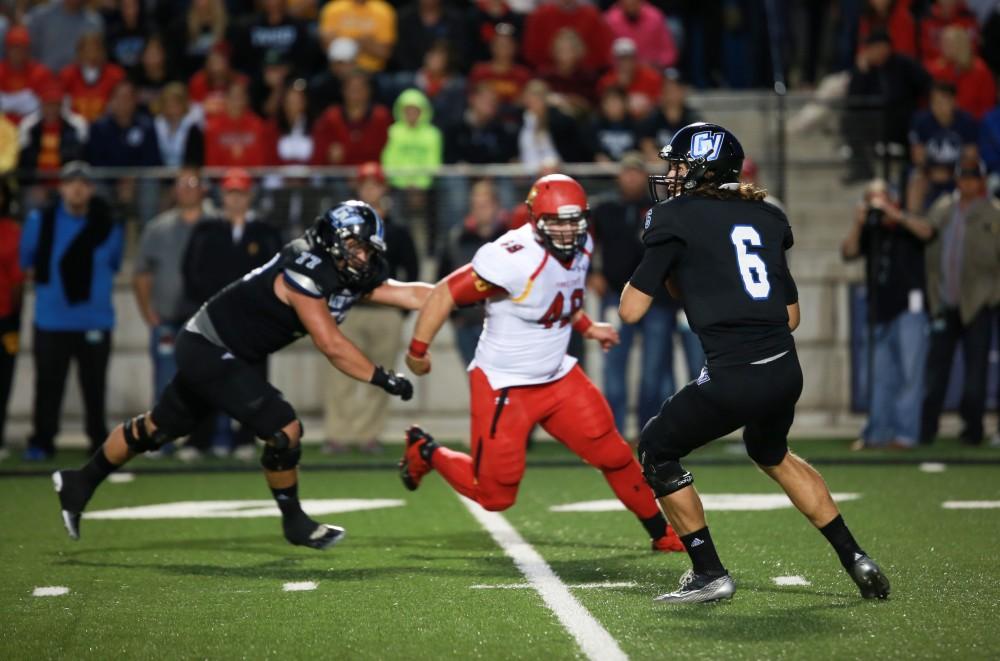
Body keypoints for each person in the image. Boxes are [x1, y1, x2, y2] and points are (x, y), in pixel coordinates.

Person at [53, 200, 431, 549]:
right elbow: (330, 344)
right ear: (334, 239)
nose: (363, 257)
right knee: (283, 429)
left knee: (158, 427)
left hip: (224, 350)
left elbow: (410, 294)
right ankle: (294, 522)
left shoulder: (343, 271)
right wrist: (384, 378)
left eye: (367, 249)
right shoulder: (306, 269)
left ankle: (78, 482)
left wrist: (471, 290)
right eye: (356, 246)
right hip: (209, 347)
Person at [619, 122, 889, 602]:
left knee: (657, 449)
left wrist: (673, 269)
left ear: (702, 169)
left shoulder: (673, 218)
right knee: (772, 453)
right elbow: (791, 316)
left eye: (679, 164)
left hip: (733, 375)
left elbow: (631, 309)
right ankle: (856, 557)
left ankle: (708, 572)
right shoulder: (765, 215)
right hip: (785, 371)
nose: (672, 174)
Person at [400, 174, 684, 554]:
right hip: (506, 384)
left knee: (614, 455)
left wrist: (587, 326)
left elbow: (559, 297)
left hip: (557, 377)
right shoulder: (514, 258)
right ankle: (426, 451)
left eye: (574, 221)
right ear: (536, 220)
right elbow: (444, 293)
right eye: (558, 222)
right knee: (495, 497)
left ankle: (660, 532)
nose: (568, 231)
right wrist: (417, 351)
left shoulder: (582, 247)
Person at [590, 153, 702, 436]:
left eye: (637, 173)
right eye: (627, 173)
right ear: (619, 177)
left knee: (655, 373)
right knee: (614, 368)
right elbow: (587, 241)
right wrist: (592, 271)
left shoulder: (661, 209)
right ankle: (613, 435)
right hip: (616, 295)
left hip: (659, 299)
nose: (632, 178)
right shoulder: (605, 209)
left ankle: (649, 434)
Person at [19, 161, 124, 460]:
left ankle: (98, 443)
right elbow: (27, 260)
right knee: (48, 386)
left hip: (95, 319)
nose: (77, 188)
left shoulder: (108, 224)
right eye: (70, 182)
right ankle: (41, 441)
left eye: (83, 183)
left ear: (91, 189)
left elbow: (114, 263)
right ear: (61, 188)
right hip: (51, 319)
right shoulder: (41, 221)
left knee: (95, 388)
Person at [182, 168, 284, 456]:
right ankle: (199, 439)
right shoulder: (206, 229)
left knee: (252, 381)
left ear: (249, 196)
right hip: (213, 320)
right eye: (230, 193)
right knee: (205, 378)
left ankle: (246, 438)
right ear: (222, 196)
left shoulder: (265, 232)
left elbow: (278, 276)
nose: (235, 199)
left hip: (254, 324)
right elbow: (191, 271)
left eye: (240, 193)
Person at [323, 162, 419, 453]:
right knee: (340, 372)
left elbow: (412, 269)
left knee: (382, 374)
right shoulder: (342, 230)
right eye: (364, 185)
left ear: (383, 189)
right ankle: (337, 434)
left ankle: (369, 435)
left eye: (374, 185)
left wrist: (399, 310)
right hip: (351, 309)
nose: (369, 190)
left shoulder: (398, 231)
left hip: (385, 313)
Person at [841, 179, 932, 449]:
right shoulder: (872, 230)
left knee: (909, 376)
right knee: (877, 377)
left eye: (880, 199)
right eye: (871, 200)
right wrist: (859, 222)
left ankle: (905, 435)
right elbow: (848, 251)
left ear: (893, 200)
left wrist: (895, 215)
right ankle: (878, 433)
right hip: (878, 310)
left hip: (909, 309)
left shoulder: (907, 225)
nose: (876, 207)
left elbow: (928, 232)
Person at [918, 159, 1000, 445]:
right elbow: (926, 233)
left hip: (977, 303)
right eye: (962, 177)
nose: (967, 182)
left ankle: (973, 430)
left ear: (981, 181)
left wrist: (993, 295)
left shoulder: (994, 213)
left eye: (972, 178)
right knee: (935, 371)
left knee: (976, 373)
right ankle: (927, 429)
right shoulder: (943, 207)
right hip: (944, 301)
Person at [134, 167, 216, 412]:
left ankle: (210, 440)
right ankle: (161, 440)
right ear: (173, 190)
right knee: (165, 381)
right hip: (167, 318)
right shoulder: (157, 229)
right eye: (182, 184)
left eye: (193, 183)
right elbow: (141, 274)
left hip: (208, 320)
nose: (187, 189)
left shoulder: (217, 225)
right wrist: (148, 313)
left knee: (213, 379)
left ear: (203, 189)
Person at [435, 178, 509, 366]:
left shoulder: (510, 239)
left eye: (484, 205)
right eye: (475, 205)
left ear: (496, 206)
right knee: (476, 379)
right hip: (467, 323)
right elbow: (442, 280)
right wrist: (455, 317)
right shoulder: (456, 239)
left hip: (504, 325)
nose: (479, 210)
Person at [0, 178, 23, 462]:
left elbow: (17, 280)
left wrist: (13, 316)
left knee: (2, 379)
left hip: (4, 317)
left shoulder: (12, 232)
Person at [318, 0, 396, 73]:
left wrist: (352, 41)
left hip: (371, 71)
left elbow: (385, 53)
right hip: (339, 69)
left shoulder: (382, 10)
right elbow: (325, 46)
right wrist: (364, 43)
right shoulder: (334, 8)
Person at [25, 0, 104, 72]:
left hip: (77, 82)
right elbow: (30, 52)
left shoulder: (93, 23)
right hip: (44, 79)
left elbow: (96, 58)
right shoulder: (40, 16)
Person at [0, 26, 53, 125]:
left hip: (31, 127)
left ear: (29, 50)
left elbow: (49, 107)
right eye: (14, 47)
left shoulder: (41, 73)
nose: (18, 52)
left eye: (23, 48)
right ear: (7, 49)